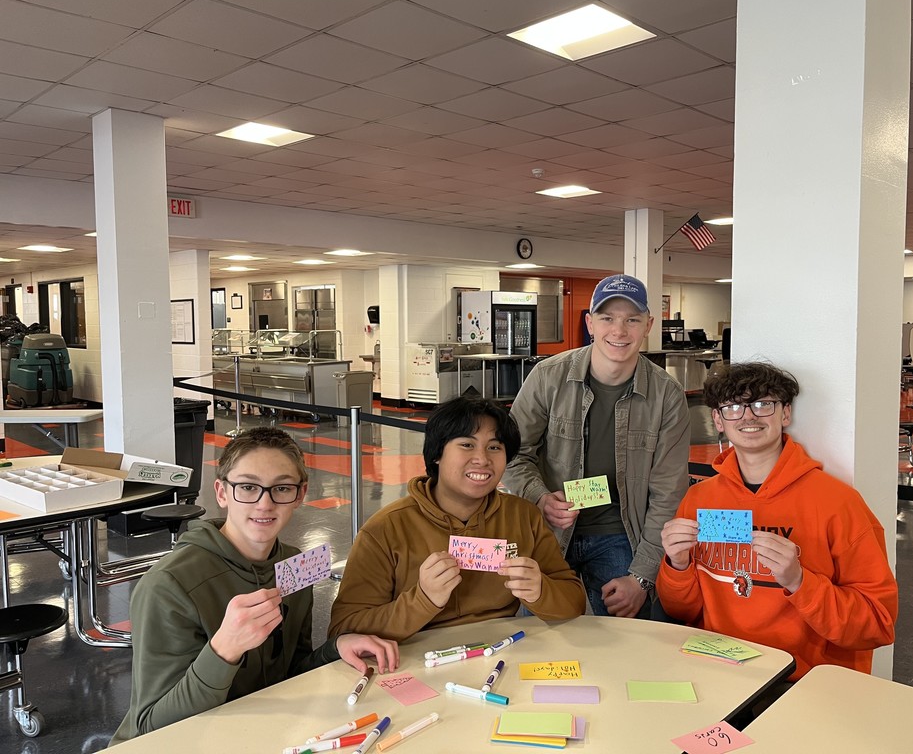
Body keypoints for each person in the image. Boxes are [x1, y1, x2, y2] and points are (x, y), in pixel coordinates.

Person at [111, 427, 398, 744]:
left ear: (300, 494)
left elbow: (290, 673)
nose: (264, 504)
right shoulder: (167, 586)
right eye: (247, 487)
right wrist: (224, 651)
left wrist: (336, 649)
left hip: (260, 735)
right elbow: (150, 728)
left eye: (281, 488)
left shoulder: (294, 565)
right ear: (221, 493)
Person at [657, 361, 898, 681]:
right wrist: (677, 563)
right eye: (732, 407)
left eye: (762, 404)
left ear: (785, 413)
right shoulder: (699, 500)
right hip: (718, 670)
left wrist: (800, 581)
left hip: (801, 683)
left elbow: (877, 625)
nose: (748, 416)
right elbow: (682, 611)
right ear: (718, 420)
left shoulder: (838, 504)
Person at [502, 274, 691, 618]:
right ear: (590, 323)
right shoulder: (548, 376)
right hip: (550, 529)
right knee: (537, 638)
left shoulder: (667, 395)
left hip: (620, 531)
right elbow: (513, 453)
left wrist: (641, 578)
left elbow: (668, 492)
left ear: (648, 325)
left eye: (631, 320)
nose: (619, 331)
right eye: (607, 318)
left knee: (626, 637)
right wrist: (540, 497)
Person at [328, 396, 585, 642]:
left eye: (494, 447)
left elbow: (573, 601)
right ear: (437, 453)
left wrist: (541, 590)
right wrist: (423, 600)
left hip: (499, 653)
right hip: (412, 660)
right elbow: (344, 628)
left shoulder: (522, 516)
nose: (483, 459)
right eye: (467, 444)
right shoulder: (385, 528)